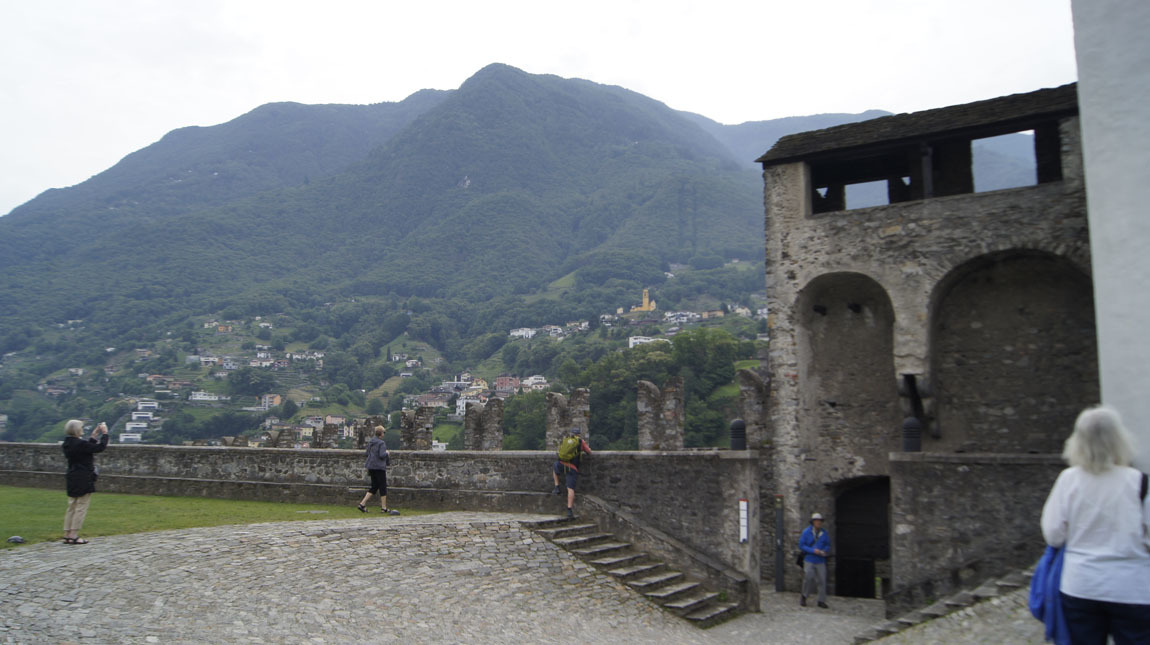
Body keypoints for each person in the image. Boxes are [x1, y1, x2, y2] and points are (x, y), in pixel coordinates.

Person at [1040, 406, 1150, 644]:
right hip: (1132, 587)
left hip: (1081, 585)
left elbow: (1053, 535)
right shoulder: (1140, 482)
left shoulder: (1068, 481)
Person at [62, 420, 109, 544]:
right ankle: (74, 534)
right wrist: (105, 434)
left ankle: (67, 533)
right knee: (81, 507)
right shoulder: (81, 444)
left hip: (72, 475)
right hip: (83, 477)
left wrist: (93, 436)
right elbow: (99, 448)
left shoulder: (67, 444)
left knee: (71, 506)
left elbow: (85, 449)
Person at [358, 426, 399, 515]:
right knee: (382, 487)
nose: (384, 434)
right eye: (384, 432)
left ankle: (362, 504)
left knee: (374, 486)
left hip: (371, 466)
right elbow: (381, 455)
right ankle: (384, 508)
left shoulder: (371, 442)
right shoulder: (381, 443)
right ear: (381, 433)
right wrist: (387, 453)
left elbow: (367, 453)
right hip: (379, 467)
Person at [551, 426, 591, 519]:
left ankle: (557, 487)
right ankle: (569, 510)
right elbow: (589, 452)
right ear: (579, 434)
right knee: (570, 488)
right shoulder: (581, 442)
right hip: (572, 467)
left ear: (571, 433)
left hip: (561, 463)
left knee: (555, 466)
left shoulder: (566, 440)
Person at [799, 511, 831, 608]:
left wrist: (824, 551)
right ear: (813, 522)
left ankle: (821, 600)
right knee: (808, 578)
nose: (819, 523)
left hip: (820, 560)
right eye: (817, 521)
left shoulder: (824, 533)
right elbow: (801, 545)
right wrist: (813, 551)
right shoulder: (806, 532)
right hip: (809, 559)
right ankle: (804, 596)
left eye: (820, 521)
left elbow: (827, 544)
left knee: (822, 580)